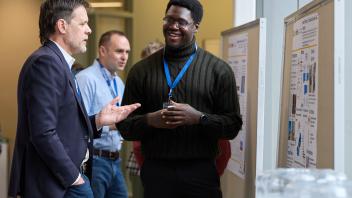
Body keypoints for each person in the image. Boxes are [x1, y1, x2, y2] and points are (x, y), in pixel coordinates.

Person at [8, 1, 140, 198]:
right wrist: (74, 178)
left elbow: (64, 125)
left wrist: (98, 120)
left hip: (63, 181)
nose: (89, 30)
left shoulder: (59, 63)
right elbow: (43, 133)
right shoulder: (46, 63)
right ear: (62, 26)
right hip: (57, 184)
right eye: (83, 23)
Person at [118, 0, 243, 197]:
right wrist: (151, 120)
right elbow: (124, 127)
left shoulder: (218, 70)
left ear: (196, 26)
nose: (173, 26)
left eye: (181, 22)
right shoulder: (141, 71)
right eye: (169, 19)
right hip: (156, 173)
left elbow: (233, 126)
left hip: (201, 173)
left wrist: (199, 118)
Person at [76, 30, 130, 198]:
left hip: (115, 160)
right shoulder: (86, 79)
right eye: (119, 51)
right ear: (103, 51)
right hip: (95, 160)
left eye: (127, 52)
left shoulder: (118, 82)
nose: (124, 57)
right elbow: (79, 125)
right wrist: (114, 125)